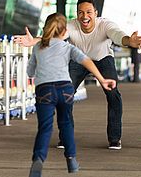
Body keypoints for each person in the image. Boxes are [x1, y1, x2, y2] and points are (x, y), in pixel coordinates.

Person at [15, 0, 141, 150]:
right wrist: (33, 41)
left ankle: (114, 138)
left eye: (89, 12)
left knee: (113, 95)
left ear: (95, 13)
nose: (85, 16)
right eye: (81, 13)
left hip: (102, 59)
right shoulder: (71, 25)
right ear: (77, 14)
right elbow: (54, 37)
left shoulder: (105, 25)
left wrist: (129, 41)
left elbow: (118, 35)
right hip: (78, 61)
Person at [27, 13, 116, 177]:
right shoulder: (67, 47)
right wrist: (102, 79)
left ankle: (38, 160)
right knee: (66, 123)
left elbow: (30, 72)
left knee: (45, 127)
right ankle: (71, 160)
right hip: (65, 89)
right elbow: (87, 61)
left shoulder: (37, 47)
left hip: (44, 90)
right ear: (64, 32)